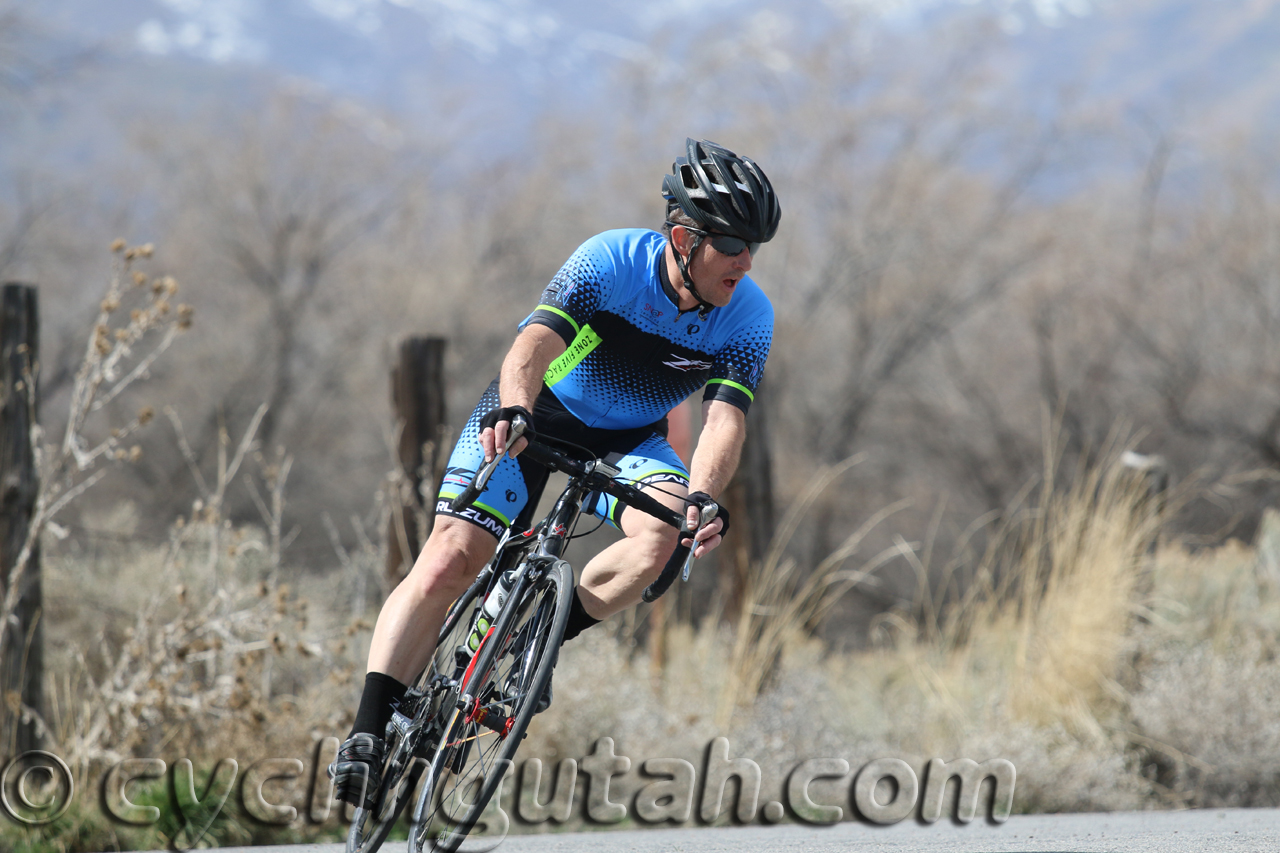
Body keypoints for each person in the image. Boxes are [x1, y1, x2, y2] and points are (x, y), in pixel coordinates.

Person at [330, 138, 782, 807]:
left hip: (631, 439)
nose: (746, 263)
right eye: (734, 244)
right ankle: (367, 732)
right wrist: (515, 408)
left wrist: (704, 497)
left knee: (661, 541)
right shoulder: (610, 260)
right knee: (450, 558)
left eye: (755, 247)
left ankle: (537, 636)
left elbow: (725, 419)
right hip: (537, 412)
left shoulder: (748, 314)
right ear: (685, 238)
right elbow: (534, 342)